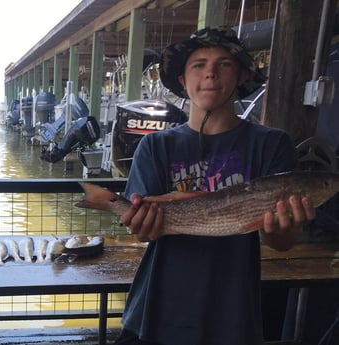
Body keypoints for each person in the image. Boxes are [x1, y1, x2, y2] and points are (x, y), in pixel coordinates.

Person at [113, 27, 317, 345]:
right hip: (157, 308)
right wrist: (140, 224)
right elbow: (141, 232)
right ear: (182, 79)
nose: (210, 73)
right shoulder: (155, 147)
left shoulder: (272, 144)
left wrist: (284, 227)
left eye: (223, 64)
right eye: (199, 64)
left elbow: (281, 242)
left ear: (240, 76)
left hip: (232, 311)